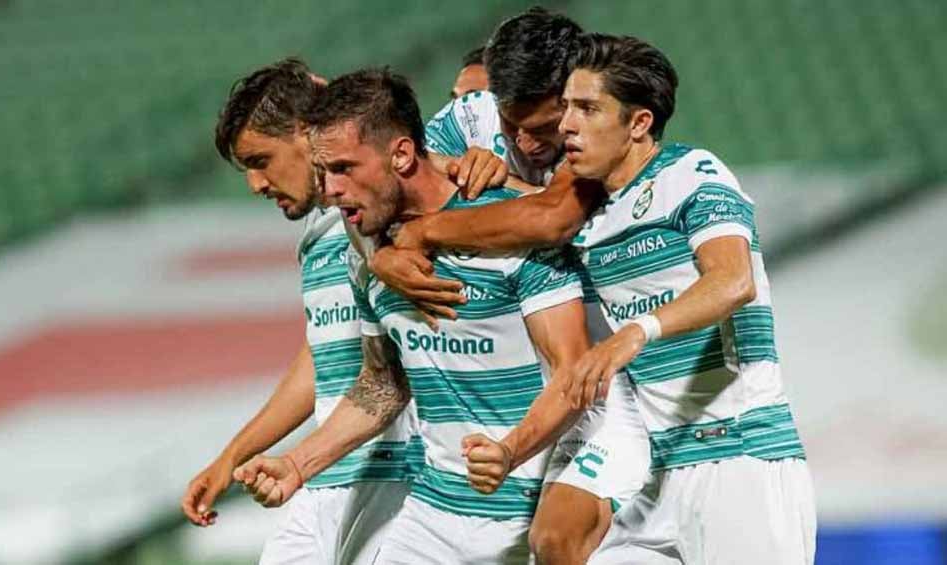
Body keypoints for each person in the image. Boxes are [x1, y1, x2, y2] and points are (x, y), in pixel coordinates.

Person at [234, 68, 592, 564]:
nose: (330, 191)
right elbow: (383, 384)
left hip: (530, 509)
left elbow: (574, 373)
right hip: (435, 514)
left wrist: (510, 451)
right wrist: (299, 463)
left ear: (401, 154)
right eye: (323, 172)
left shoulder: (509, 233)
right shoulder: (368, 253)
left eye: (343, 169)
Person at [376, 9, 651, 564]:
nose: (526, 141)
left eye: (543, 126)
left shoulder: (600, 130)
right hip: (527, 385)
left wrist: (425, 230)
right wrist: (385, 251)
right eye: (511, 124)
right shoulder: (468, 117)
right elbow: (394, 187)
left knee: (560, 539)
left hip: (616, 380)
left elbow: (553, 218)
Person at [560, 33, 816, 564]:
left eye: (587, 108)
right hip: (657, 474)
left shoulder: (691, 173)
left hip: (740, 461)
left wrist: (636, 332)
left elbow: (732, 281)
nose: (567, 124)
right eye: (566, 106)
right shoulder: (588, 216)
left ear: (638, 123)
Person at [180, 58, 420, 565]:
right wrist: (231, 458)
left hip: (395, 472)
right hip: (328, 475)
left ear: (305, 134)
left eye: (260, 160)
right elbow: (324, 355)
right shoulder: (318, 235)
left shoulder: (384, 218)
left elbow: (391, 376)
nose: (255, 184)